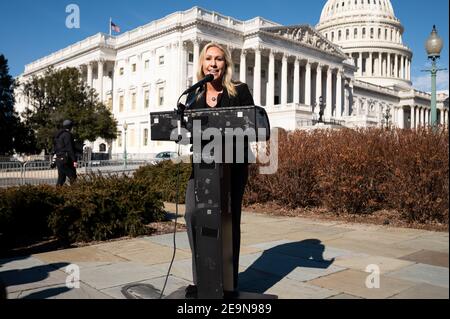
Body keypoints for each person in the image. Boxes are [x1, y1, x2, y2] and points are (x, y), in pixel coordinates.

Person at [184, 42, 255, 297]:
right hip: (202, 166)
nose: (213, 63)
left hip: (232, 166)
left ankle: (228, 282)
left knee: (227, 221)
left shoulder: (240, 91)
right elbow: (186, 133)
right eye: (209, 59)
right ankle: (201, 278)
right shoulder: (193, 97)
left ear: (226, 64)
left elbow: (249, 126)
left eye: (219, 59)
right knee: (192, 215)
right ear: (202, 64)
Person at [53, 119, 78, 186]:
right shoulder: (68, 135)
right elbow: (70, 148)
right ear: (70, 127)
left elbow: (55, 148)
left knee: (61, 178)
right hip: (66, 160)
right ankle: (74, 193)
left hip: (59, 159)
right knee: (73, 176)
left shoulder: (58, 135)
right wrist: (74, 160)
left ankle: (56, 194)